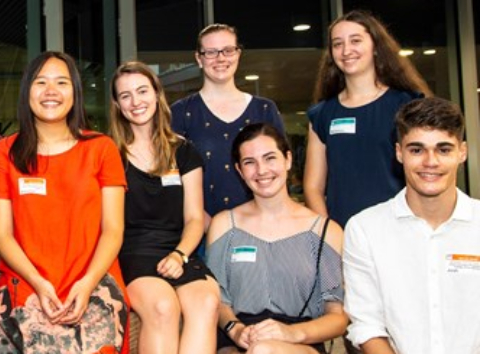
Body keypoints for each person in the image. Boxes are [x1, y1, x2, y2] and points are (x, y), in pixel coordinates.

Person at [0, 52, 129, 353]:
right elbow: (1, 234)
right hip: (26, 280)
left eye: (61, 82)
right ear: (26, 91)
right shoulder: (2, 153)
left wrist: (86, 285)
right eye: (40, 82)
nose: (51, 91)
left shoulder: (102, 149)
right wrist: (39, 284)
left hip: (92, 279)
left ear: (76, 92)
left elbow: (113, 230)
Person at [344, 97, 480, 354]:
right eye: (417, 150)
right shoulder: (364, 229)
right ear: (399, 152)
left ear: (462, 152)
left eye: (444, 149)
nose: (430, 162)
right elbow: (367, 326)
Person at [108, 61, 219, 354]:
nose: (136, 102)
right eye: (126, 95)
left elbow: (195, 218)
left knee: (206, 300)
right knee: (163, 306)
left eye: (142, 91)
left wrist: (180, 254)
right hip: (133, 254)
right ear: (117, 105)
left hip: (179, 250)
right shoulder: (110, 155)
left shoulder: (183, 151)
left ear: (157, 95)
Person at [207, 123, 347, 353]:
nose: (261, 170)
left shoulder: (325, 232)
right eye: (250, 162)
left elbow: (337, 316)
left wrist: (290, 334)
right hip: (238, 341)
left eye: (270, 158)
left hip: (301, 341)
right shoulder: (223, 226)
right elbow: (217, 299)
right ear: (239, 171)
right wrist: (235, 329)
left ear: (288, 160)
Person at [304, 10, 431, 227]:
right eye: (337, 44)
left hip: (401, 230)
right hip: (345, 235)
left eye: (355, 41)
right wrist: (330, 236)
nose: (346, 50)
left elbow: (426, 172)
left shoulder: (408, 105)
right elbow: (312, 188)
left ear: (375, 47)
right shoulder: (322, 114)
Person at [171, 23, 285, 218]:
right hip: (201, 233)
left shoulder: (265, 109)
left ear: (238, 54)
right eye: (211, 52)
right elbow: (173, 181)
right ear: (199, 59)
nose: (221, 58)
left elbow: (279, 174)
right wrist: (210, 228)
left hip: (262, 227)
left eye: (228, 50)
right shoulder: (180, 112)